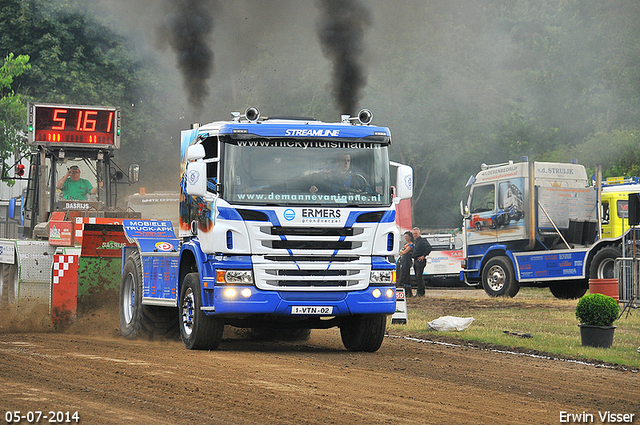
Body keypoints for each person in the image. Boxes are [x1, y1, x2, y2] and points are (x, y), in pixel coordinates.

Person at [411, 227, 432, 297]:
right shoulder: (416, 241)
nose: (415, 235)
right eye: (413, 234)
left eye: (416, 233)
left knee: (419, 276)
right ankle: (419, 292)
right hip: (416, 260)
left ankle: (421, 292)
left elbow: (429, 247)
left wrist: (423, 256)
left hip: (420, 261)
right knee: (417, 277)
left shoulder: (422, 240)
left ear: (419, 233)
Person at [397, 231, 415, 297]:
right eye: (405, 237)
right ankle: (405, 289)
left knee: (406, 275)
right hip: (402, 260)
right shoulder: (406, 244)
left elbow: (404, 252)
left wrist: (402, 252)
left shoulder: (411, 245)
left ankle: (408, 292)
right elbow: (401, 252)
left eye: (407, 236)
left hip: (407, 261)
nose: (406, 238)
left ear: (410, 237)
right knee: (402, 275)